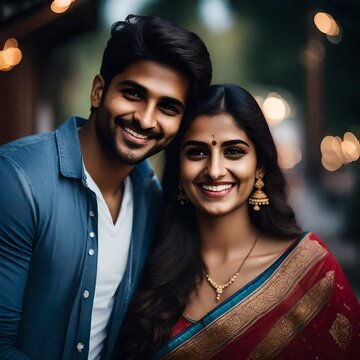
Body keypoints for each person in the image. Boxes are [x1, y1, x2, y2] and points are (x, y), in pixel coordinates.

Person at [0, 14, 212, 359]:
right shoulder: (17, 180)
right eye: (133, 94)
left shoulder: (151, 199)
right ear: (99, 91)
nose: (145, 119)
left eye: (168, 107)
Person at [118, 84, 360, 359]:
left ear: (259, 166)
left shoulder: (309, 270)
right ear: (178, 168)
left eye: (233, 152)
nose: (215, 170)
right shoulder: (148, 264)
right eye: (197, 152)